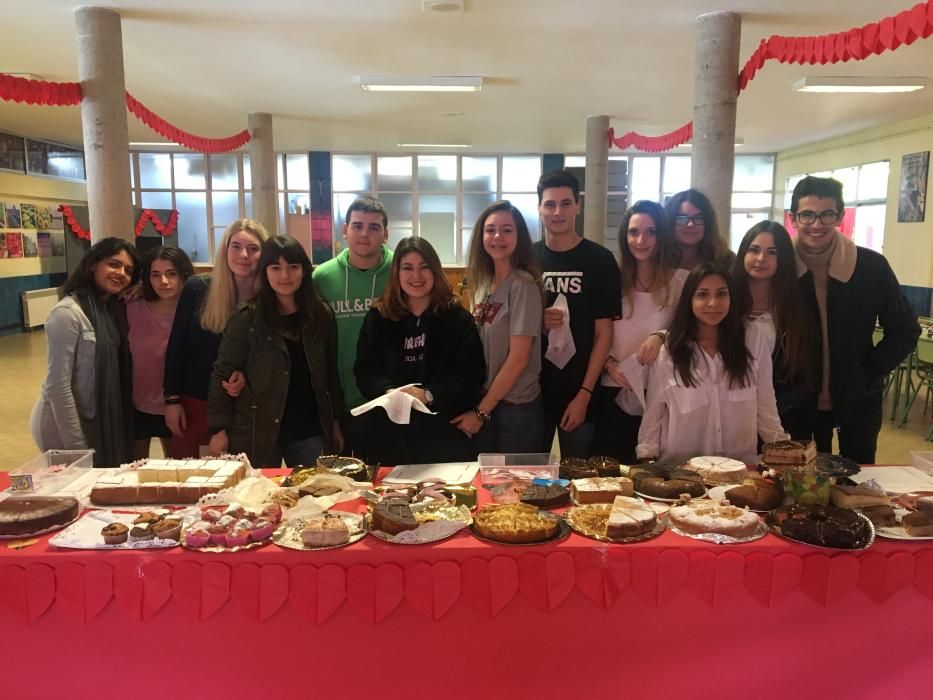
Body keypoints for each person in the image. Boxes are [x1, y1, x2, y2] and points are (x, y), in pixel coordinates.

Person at [789, 175, 920, 463]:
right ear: (794, 218)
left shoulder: (871, 266)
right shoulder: (779, 268)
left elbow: (905, 329)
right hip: (794, 402)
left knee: (858, 482)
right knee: (797, 488)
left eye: (827, 214)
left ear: (840, 216)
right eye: (807, 214)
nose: (817, 223)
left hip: (857, 400)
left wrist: (868, 372)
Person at [206, 236, 344, 467]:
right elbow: (222, 374)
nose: (285, 276)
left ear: (304, 270)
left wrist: (336, 422)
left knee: (318, 494)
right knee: (256, 498)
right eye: (275, 267)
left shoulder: (320, 314)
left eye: (293, 267)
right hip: (256, 428)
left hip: (309, 427)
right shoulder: (246, 319)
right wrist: (218, 429)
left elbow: (330, 372)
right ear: (264, 272)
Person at [636, 263, 788, 464]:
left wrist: (785, 454)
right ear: (689, 299)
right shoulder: (670, 350)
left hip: (739, 471)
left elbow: (766, 406)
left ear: (731, 298)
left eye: (721, 294)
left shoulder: (751, 339)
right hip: (682, 475)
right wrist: (647, 461)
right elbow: (654, 415)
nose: (713, 303)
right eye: (703, 295)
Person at [355, 237, 485, 465]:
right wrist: (389, 391)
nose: (416, 276)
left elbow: (470, 376)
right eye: (407, 268)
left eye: (424, 267)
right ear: (397, 273)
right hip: (390, 437)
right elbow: (365, 372)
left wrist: (427, 394)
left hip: (444, 436)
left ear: (435, 270)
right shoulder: (379, 316)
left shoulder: (457, 318)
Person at [31, 237, 141, 466]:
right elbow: (58, 387)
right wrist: (77, 448)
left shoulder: (112, 310)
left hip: (98, 421)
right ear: (93, 264)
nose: (121, 273)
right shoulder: (68, 314)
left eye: (128, 270)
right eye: (113, 264)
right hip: (62, 426)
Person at [163, 219, 268, 458]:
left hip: (245, 409)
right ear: (225, 250)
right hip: (195, 404)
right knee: (194, 482)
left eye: (253, 248)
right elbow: (176, 347)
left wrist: (245, 375)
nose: (244, 255)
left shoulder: (269, 301)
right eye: (236, 246)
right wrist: (171, 400)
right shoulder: (197, 288)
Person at [534, 169, 621, 458]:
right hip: (533, 393)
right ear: (539, 208)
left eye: (566, 203)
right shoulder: (527, 259)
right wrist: (538, 322)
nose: (558, 212)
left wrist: (584, 394)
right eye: (550, 204)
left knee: (579, 480)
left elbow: (604, 332)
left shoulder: (600, 260)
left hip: (580, 389)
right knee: (527, 479)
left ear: (578, 206)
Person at [592, 201, 687, 462]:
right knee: (610, 479)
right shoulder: (613, 279)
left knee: (657, 478)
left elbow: (691, 330)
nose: (641, 240)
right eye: (634, 232)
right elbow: (597, 333)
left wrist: (661, 335)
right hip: (613, 390)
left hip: (660, 394)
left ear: (662, 236)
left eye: (651, 232)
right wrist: (609, 365)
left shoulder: (681, 281)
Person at [451, 200, 545, 453]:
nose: (497, 237)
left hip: (515, 411)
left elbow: (518, 358)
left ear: (519, 236)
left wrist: (480, 413)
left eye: (507, 230)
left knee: (513, 491)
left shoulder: (523, 285)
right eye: (490, 229)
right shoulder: (483, 285)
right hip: (487, 403)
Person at [313, 196, 393, 456]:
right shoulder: (322, 277)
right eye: (357, 226)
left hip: (389, 399)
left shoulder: (401, 272)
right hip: (340, 400)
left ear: (386, 234)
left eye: (374, 227)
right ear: (345, 230)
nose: (364, 234)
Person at [731, 221, 815, 429]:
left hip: (780, 419)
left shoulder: (796, 311)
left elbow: (806, 376)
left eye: (772, 252)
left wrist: (770, 409)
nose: (761, 259)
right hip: (728, 417)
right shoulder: (724, 303)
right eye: (754, 250)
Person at [127, 246, 195, 458]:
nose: (164, 282)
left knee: (177, 469)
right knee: (135, 471)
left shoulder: (195, 311)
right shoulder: (132, 306)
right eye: (155, 275)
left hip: (177, 405)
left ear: (184, 274)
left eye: (171, 274)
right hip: (137, 405)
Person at [664, 188, 735, 271]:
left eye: (699, 218)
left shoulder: (726, 260)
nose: (690, 224)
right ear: (669, 222)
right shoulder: (657, 261)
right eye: (682, 218)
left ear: (708, 223)